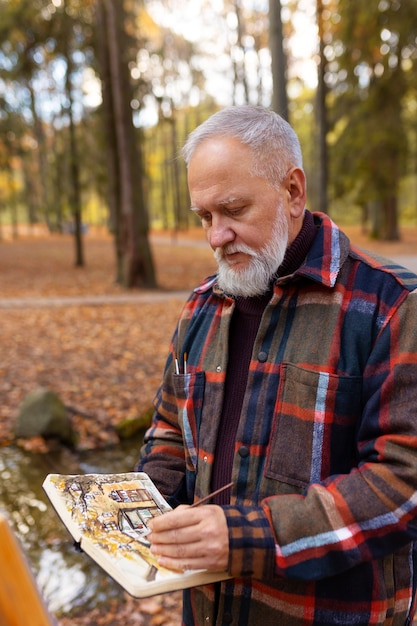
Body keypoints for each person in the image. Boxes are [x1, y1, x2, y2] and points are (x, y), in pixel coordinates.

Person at [137, 105, 417, 626]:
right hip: (207, 612)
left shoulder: (392, 306)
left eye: (233, 209)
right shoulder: (201, 307)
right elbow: (170, 434)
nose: (216, 236)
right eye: (205, 217)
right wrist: (127, 514)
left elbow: (402, 483)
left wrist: (244, 538)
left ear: (292, 191)